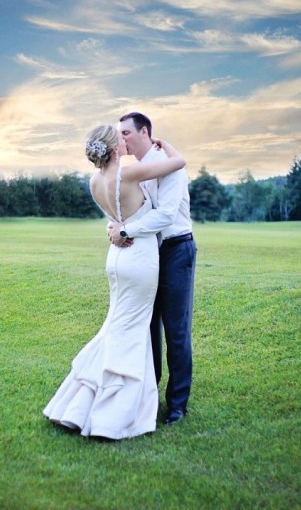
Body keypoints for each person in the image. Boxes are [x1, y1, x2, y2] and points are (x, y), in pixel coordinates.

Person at [43, 124, 187, 440]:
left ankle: (80, 403)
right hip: (139, 258)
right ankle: (117, 414)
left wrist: (117, 229)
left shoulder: (96, 181)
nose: (125, 142)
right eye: (119, 138)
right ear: (113, 148)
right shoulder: (129, 175)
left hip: (116, 258)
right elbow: (179, 164)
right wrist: (167, 144)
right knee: (132, 331)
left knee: (115, 326)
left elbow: (114, 218)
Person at [109, 112, 195, 426]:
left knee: (176, 330)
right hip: (149, 254)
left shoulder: (169, 166)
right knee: (148, 327)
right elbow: (136, 209)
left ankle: (177, 405)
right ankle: (148, 396)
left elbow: (167, 216)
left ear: (144, 131)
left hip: (176, 249)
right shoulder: (140, 169)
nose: (122, 139)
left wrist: (127, 232)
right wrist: (116, 224)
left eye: (126, 133)